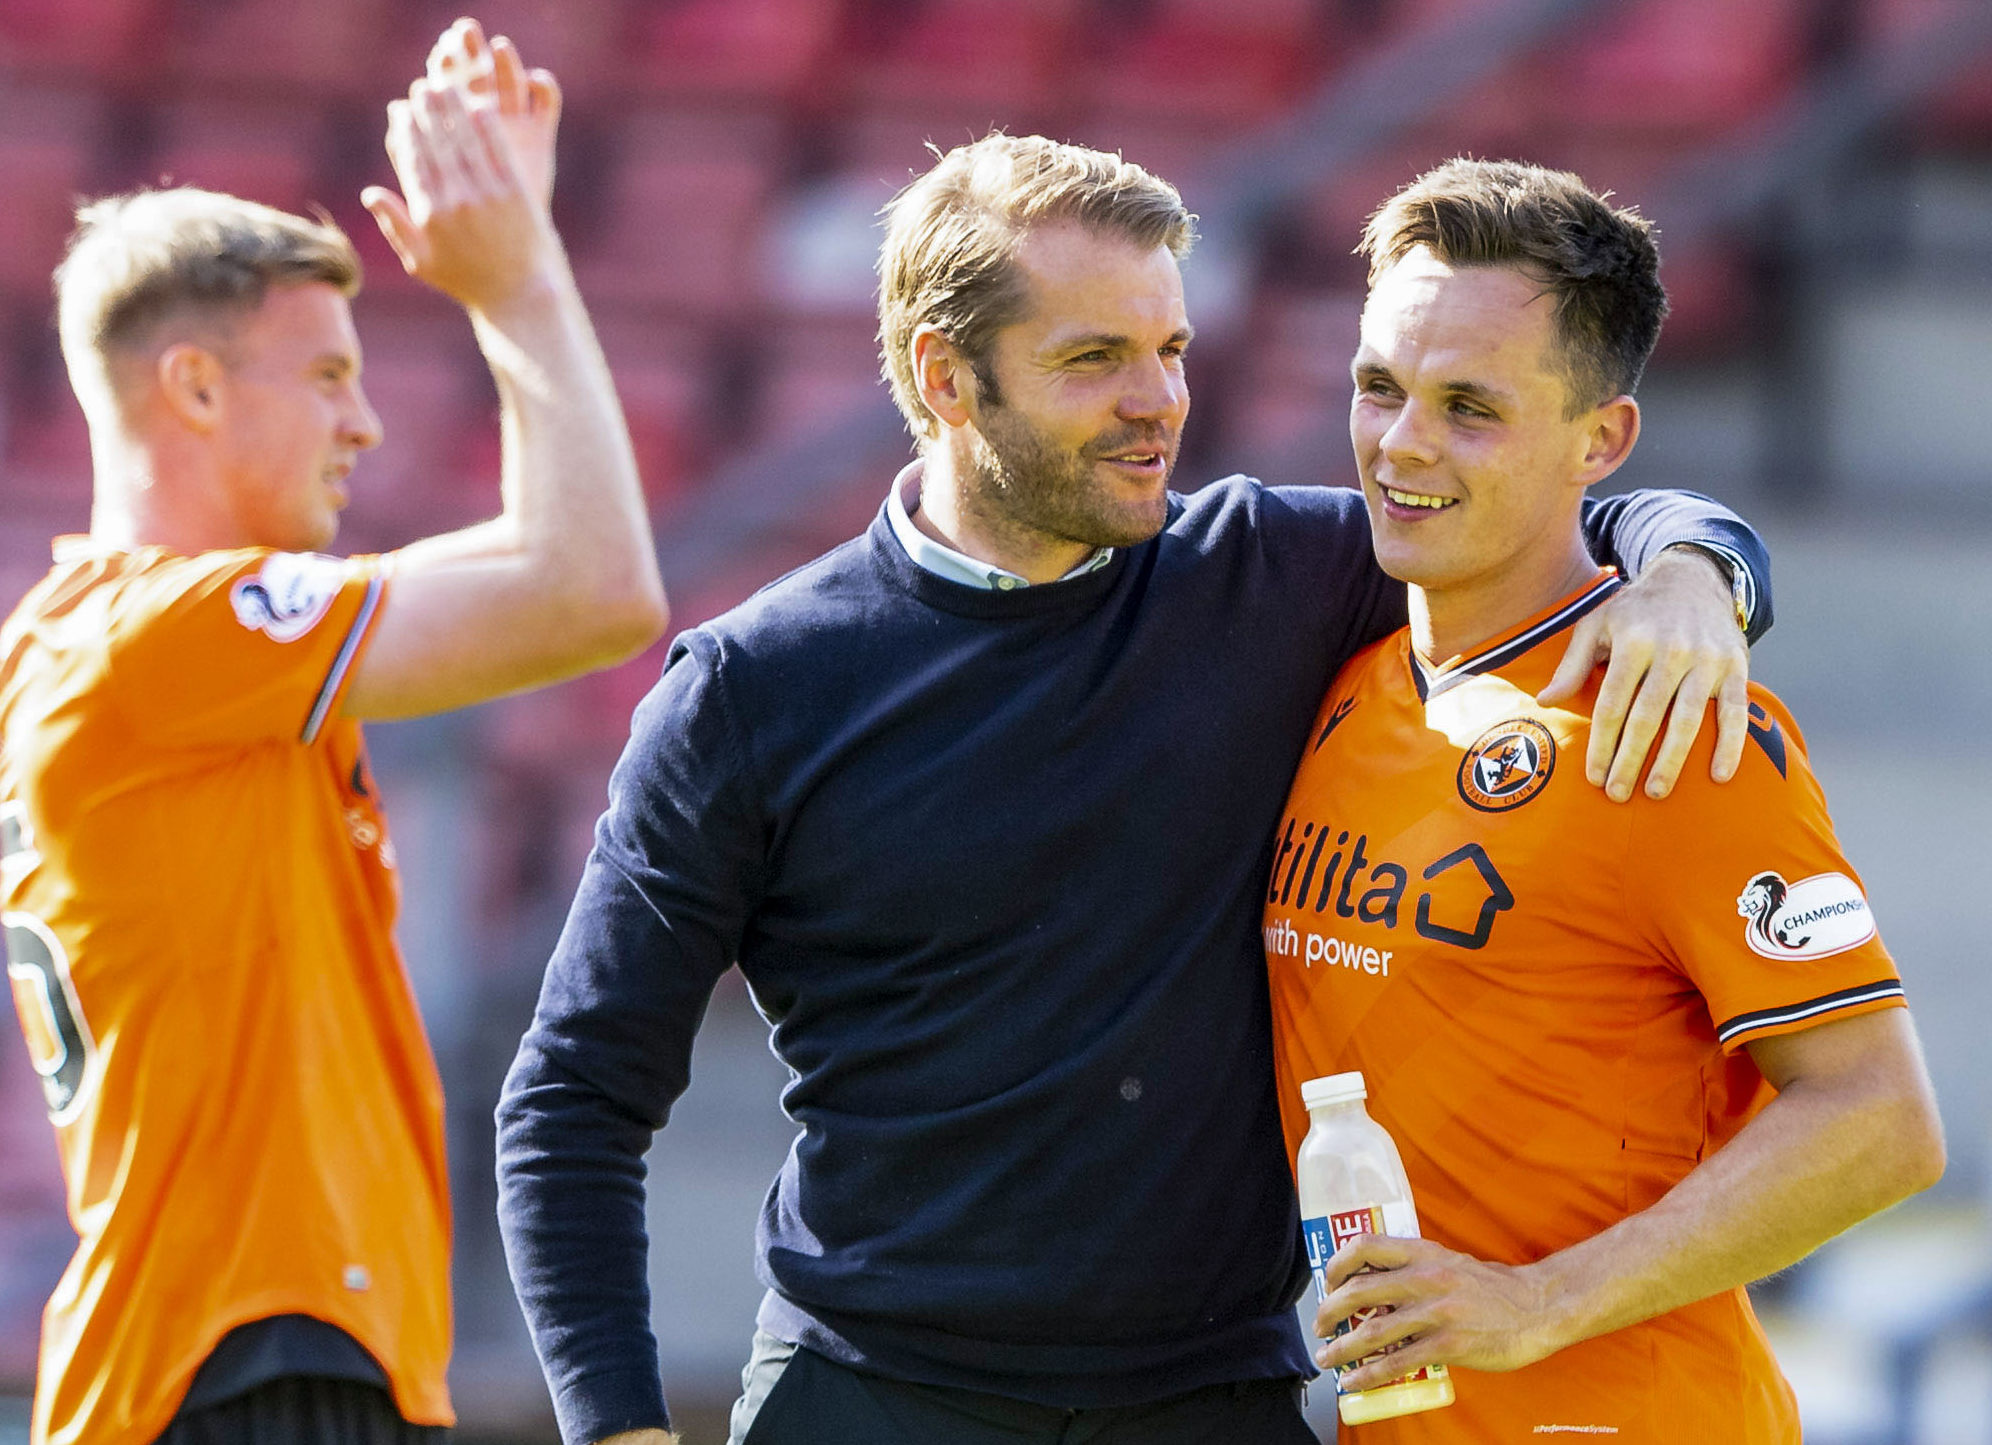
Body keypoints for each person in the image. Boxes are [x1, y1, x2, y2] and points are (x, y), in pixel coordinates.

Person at [494, 133, 1774, 1445]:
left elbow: (1545, 509)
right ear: (948, 378)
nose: (1159, 400)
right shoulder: (752, 688)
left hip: (1212, 1405)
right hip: (870, 1399)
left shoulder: (1271, 573)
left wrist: (1694, 568)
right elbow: (572, 1099)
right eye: (1094, 359)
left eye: (1169, 348)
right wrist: (616, 1428)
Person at [0, 20, 666, 1445]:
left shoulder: (145, 660)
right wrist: (519, 281)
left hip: (256, 1352)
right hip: (247, 1356)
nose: (365, 424)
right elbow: (594, 588)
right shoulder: (152, 636)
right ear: (189, 387)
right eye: (323, 377)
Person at [1266, 159, 1944, 1442]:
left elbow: (1881, 1119)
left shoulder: (1674, 723)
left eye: (1471, 406)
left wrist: (1534, 1302)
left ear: (1604, 439)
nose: (1402, 442)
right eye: (1378, 386)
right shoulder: (1345, 674)